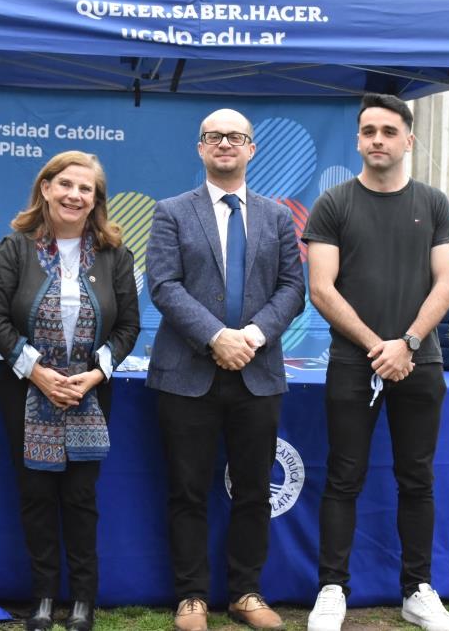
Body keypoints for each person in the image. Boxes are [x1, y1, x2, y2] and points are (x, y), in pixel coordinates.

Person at [302, 93, 449, 631]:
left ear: (408, 140)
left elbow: (447, 283)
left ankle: (417, 590)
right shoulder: (334, 204)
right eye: (368, 131)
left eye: (389, 131)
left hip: (421, 362)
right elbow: (321, 289)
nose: (377, 140)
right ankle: (332, 588)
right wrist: (379, 347)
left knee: (417, 479)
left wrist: (408, 343)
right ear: (358, 141)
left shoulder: (434, 203)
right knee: (344, 478)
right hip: (353, 364)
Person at [145, 109, 305, 631]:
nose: (225, 144)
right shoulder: (171, 212)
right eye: (214, 137)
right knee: (186, 489)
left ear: (252, 149)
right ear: (200, 149)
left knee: (254, 490)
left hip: (257, 374)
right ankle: (191, 596)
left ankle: (245, 593)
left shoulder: (279, 217)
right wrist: (217, 337)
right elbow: (164, 285)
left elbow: (292, 289)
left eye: (235, 137)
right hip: (187, 374)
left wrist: (251, 338)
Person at [0, 151, 139, 631]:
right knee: (35, 496)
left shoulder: (115, 256)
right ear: (45, 188)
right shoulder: (15, 248)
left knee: (80, 498)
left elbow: (129, 326)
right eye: (65, 184)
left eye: (85, 189)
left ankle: (84, 601)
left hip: (89, 394)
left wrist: (95, 375)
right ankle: (45, 598)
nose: (74, 195)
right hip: (27, 392)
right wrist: (38, 373)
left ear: (96, 200)